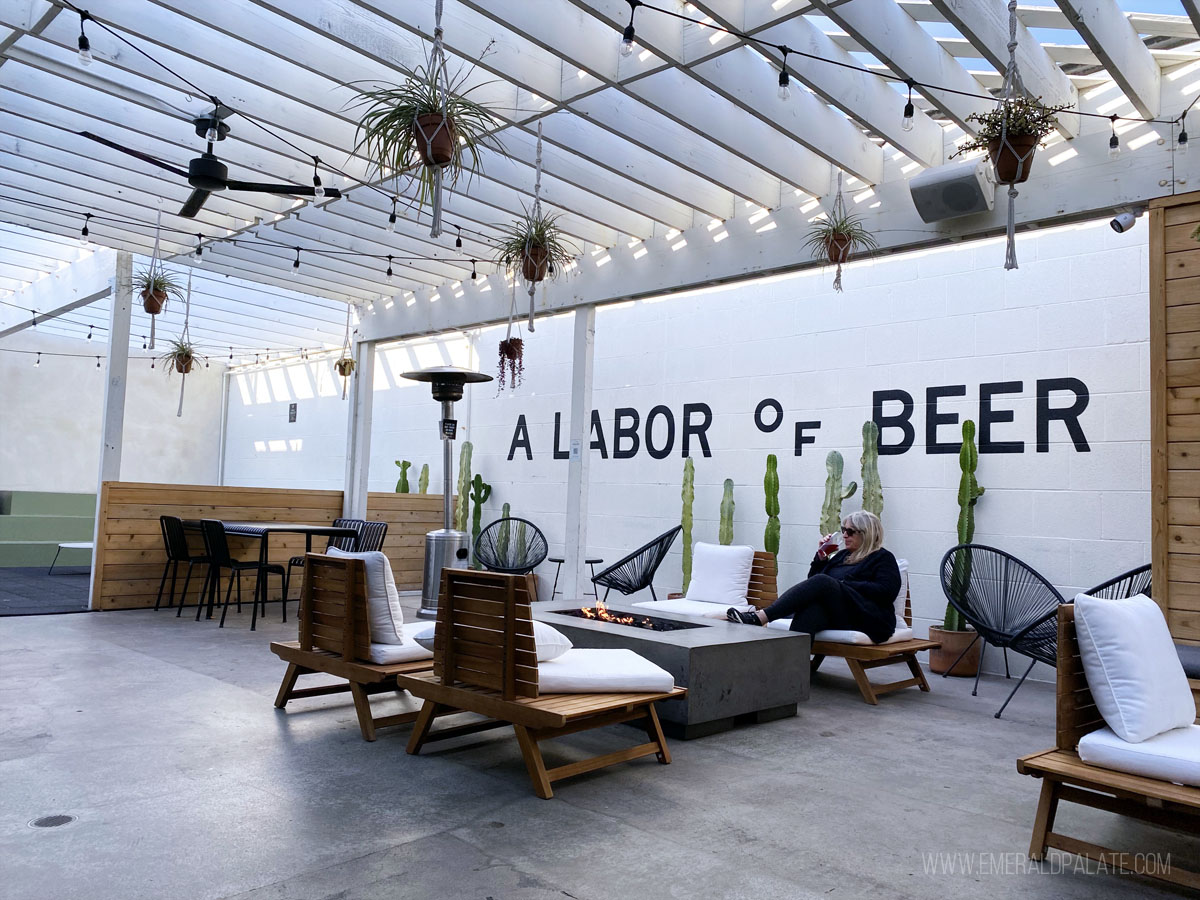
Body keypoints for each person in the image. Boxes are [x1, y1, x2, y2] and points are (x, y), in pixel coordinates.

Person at [726, 510, 900, 643]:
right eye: (843, 530)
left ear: (866, 534)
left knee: (824, 583)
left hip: (868, 617)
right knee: (812, 610)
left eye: (850, 531)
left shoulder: (882, 557)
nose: (845, 535)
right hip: (840, 614)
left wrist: (845, 584)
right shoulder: (841, 556)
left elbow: (887, 592)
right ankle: (793, 671)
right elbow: (813, 583)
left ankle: (760, 617)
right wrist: (821, 558)